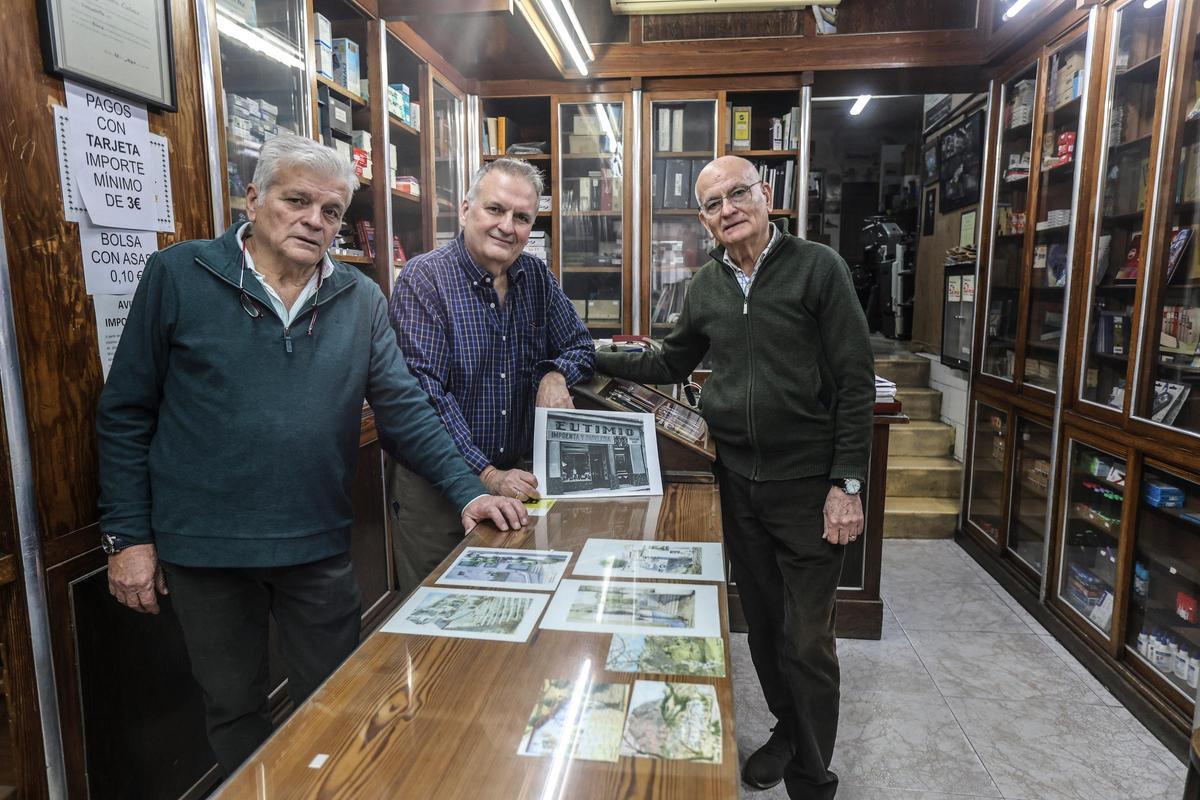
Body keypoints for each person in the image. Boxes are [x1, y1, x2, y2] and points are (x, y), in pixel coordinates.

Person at [96, 135, 527, 776]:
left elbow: (405, 407)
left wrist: (469, 489)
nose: (314, 221)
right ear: (252, 198)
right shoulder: (179, 275)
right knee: (234, 709)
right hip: (205, 550)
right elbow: (126, 412)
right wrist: (127, 537)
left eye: (330, 212)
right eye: (296, 200)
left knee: (335, 703)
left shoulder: (358, 298)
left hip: (316, 543)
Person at [595, 155, 874, 799]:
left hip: (810, 487)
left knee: (808, 640)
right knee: (766, 626)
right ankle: (787, 730)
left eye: (738, 193)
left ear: (766, 194)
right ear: (703, 219)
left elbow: (856, 383)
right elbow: (672, 357)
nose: (728, 209)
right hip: (740, 482)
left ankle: (812, 777)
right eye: (714, 203)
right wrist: (588, 352)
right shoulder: (707, 284)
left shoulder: (818, 269)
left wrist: (847, 485)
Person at [388, 158, 594, 595]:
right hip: (437, 489)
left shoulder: (535, 277)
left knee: (509, 608)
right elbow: (427, 395)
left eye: (521, 217)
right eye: (495, 209)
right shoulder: (425, 279)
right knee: (437, 619)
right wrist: (486, 475)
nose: (507, 226)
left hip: (516, 481)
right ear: (466, 210)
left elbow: (579, 345)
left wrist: (555, 374)